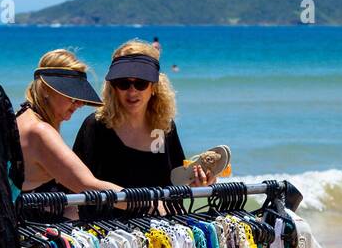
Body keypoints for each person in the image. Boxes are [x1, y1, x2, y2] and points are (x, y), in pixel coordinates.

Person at [73, 39, 214, 187]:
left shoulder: (161, 126)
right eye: (123, 83)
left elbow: (176, 181)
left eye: (141, 83)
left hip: (160, 210)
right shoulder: (97, 126)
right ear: (113, 87)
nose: (132, 91)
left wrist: (199, 182)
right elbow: (74, 183)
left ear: (154, 87)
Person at [16, 49, 124, 194]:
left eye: (81, 98)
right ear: (46, 90)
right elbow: (86, 185)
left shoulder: (22, 115)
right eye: (72, 97)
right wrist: (149, 203)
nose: (79, 104)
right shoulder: (40, 131)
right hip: (31, 216)